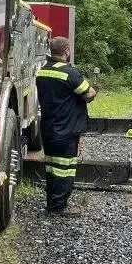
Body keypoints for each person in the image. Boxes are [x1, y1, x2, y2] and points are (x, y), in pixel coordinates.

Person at [35, 36, 96, 217]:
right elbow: (89, 93)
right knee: (65, 169)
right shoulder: (70, 73)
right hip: (67, 129)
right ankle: (59, 207)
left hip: (48, 128)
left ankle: (52, 202)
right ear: (67, 51)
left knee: (51, 167)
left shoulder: (42, 72)